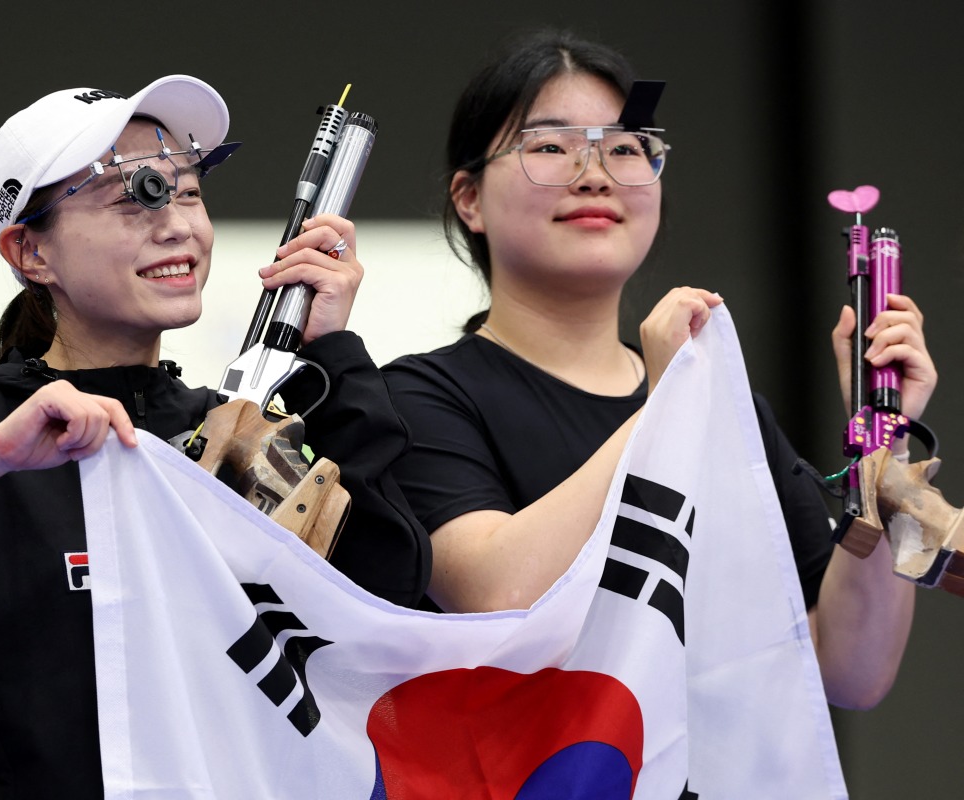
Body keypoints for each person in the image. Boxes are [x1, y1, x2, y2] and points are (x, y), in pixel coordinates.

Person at [0, 75, 430, 798]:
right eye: (136, 196)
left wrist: (333, 351)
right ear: (31, 253)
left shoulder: (231, 429)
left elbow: (392, 605)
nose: (180, 224)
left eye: (188, 191)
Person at [382, 29, 936, 711]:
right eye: (551, 147)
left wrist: (885, 445)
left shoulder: (728, 407)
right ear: (468, 199)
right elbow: (501, 595)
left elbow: (850, 669)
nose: (596, 174)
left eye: (625, 148)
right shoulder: (417, 397)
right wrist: (665, 406)